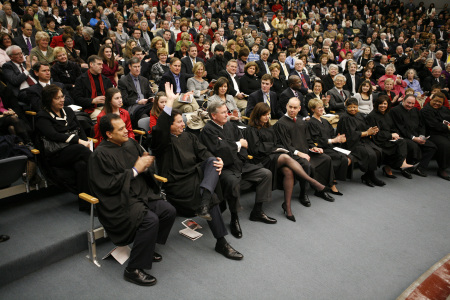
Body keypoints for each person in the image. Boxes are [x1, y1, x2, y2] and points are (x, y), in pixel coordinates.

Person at [152, 83, 243, 260]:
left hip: (196, 178)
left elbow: (204, 153)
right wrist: (170, 102)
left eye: (182, 122)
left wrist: (219, 160)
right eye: (179, 122)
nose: (183, 125)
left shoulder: (189, 136)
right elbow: (159, 128)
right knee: (211, 199)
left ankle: (206, 206)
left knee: (212, 160)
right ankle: (221, 242)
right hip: (178, 184)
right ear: (169, 125)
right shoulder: (162, 143)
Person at [90, 113, 176, 286]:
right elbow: (108, 185)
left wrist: (146, 164)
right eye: (120, 129)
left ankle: (147, 246)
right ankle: (133, 269)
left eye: (125, 126)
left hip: (141, 193)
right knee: (150, 220)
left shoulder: (130, 143)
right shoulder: (100, 155)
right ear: (108, 134)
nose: (126, 131)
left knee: (169, 211)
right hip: (119, 200)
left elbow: (142, 162)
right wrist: (135, 170)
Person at [200, 100, 277, 239]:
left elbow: (244, 146)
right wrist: (236, 145)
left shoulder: (231, 126)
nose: (227, 114)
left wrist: (231, 146)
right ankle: (234, 218)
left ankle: (257, 211)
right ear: (213, 116)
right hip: (224, 168)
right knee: (232, 182)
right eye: (223, 112)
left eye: (226, 111)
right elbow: (218, 150)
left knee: (265, 174)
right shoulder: (208, 130)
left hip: (240, 164)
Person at [244, 102, 333, 221]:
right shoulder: (250, 130)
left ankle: (287, 206)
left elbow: (275, 143)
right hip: (260, 160)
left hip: (273, 156)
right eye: (264, 115)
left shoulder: (268, 127)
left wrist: (274, 147)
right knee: (286, 157)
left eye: (269, 114)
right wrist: (273, 147)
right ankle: (313, 182)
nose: (267, 117)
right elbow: (256, 149)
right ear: (257, 114)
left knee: (288, 172)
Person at [35, 84, 91, 207]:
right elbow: (53, 135)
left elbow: (80, 130)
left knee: (81, 165)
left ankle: (85, 204)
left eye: (62, 96)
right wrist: (77, 140)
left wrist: (85, 142)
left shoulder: (69, 111)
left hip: (74, 151)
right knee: (81, 149)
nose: (62, 100)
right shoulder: (42, 116)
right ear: (49, 100)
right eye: (57, 98)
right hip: (56, 155)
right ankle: (105, 176)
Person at [274, 97, 337, 205]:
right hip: (292, 155)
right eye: (290, 107)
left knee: (326, 158)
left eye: (295, 108)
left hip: (306, 152)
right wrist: (299, 153)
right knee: (305, 164)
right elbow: (285, 145)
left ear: (299, 108)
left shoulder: (301, 121)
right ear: (286, 106)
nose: (292, 110)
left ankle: (321, 189)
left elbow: (308, 139)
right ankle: (303, 193)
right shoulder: (281, 123)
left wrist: (313, 147)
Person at [336, 97, 386, 187]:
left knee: (378, 151)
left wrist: (371, 130)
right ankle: (370, 176)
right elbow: (350, 135)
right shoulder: (345, 118)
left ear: (357, 107)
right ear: (346, 107)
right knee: (370, 154)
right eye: (350, 107)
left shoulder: (359, 115)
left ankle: (368, 175)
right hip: (350, 143)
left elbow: (365, 126)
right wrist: (367, 133)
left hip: (362, 140)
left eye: (355, 107)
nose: (353, 109)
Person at [366, 95, 418, 179]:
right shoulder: (372, 116)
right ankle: (400, 164)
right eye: (381, 104)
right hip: (378, 140)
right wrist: (390, 135)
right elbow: (375, 133)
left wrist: (395, 134)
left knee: (401, 140)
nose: (383, 106)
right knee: (400, 144)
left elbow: (393, 127)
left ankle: (395, 165)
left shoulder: (387, 114)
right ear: (377, 104)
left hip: (387, 138)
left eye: (385, 104)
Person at [308, 98, 352, 185]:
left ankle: (332, 178)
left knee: (349, 157)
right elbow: (316, 140)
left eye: (322, 107)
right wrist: (333, 140)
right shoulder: (311, 123)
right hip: (321, 148)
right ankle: (330, 180)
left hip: (330, 146)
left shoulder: (324, 121)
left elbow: (332, 134)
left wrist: (338, 138)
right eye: (319, 108)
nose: (321, 109)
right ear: (313, 109)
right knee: (341, 158)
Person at [419, 92, 450, 181]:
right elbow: (433, 125)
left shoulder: (444, 109)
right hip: (431, 134)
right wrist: (447, 127)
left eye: (440, 102)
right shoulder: (425, 110)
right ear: (431, 100)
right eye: (435, 101)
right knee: (445, 145)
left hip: (444, 132)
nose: (437, 103)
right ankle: (442, 169)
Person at [73, 55, 114, 120]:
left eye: (102, 64)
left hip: (106, 106)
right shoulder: (81, 80)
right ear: (91, 64)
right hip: (90, 108)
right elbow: (77, 99)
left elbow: (112, 95)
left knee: (122, 114)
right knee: (106, 118)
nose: (102, 67)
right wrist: (92, 101)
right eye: (99, 64)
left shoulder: (106, 80)